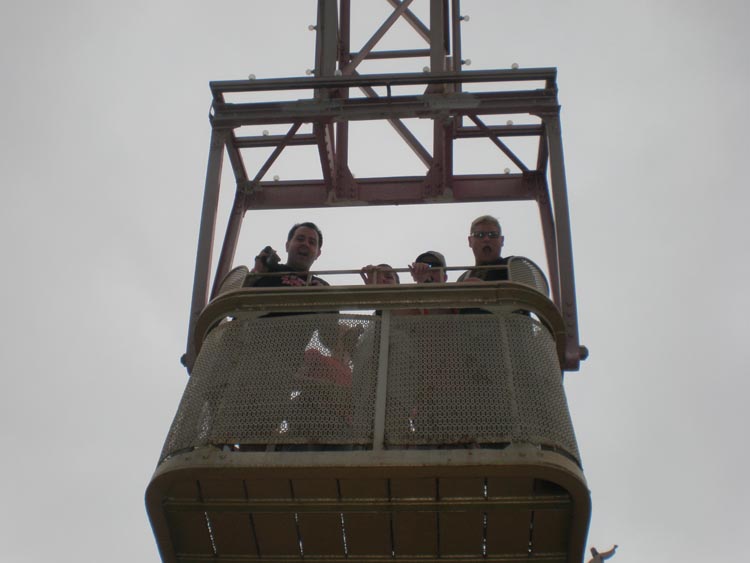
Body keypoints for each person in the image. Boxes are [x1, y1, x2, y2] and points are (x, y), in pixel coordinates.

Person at [244, 222, 328, 288]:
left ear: (318, 254)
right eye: (300, 239)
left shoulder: (323, 286)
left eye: (312, 242)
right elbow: (237, 296)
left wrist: (322, 297)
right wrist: (256, 273)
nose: (305, 244)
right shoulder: (268, 271)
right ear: (287, 246)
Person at [457, 215, 509, 282]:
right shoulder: (463, 279)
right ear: (470, 241)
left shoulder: (513, 266)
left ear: (502, 240)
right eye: (480, 235)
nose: (486, 239)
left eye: (493, 235)